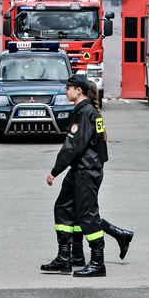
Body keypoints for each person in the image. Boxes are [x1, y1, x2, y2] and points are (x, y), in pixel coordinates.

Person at [42, 74, 110, 277]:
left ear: (78, 90)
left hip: (85, 171)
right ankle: (65, 257)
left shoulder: (85, 112)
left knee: (88, 215)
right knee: (63, 207)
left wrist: (55, 170)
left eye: (68, 88)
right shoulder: (87, 110)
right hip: (82, 170)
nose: (66, 91)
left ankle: (98, 262)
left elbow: (73, 145)